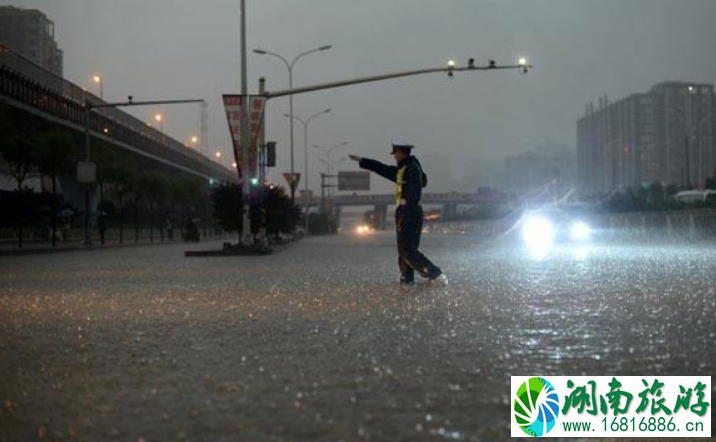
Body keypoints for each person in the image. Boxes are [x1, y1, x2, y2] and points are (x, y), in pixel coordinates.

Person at [349, 142, 447, 285]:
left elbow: (413, 188)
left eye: (395, 153)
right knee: (405, 249)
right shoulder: (408, 168)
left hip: (408, 212)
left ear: (402, 152)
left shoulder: (410, 169)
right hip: (408, 211)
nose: (394, 156)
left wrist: (405, 210)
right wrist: (363, 161)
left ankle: (435, 274)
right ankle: (407, 279)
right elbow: (384, 169)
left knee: (407, 250)